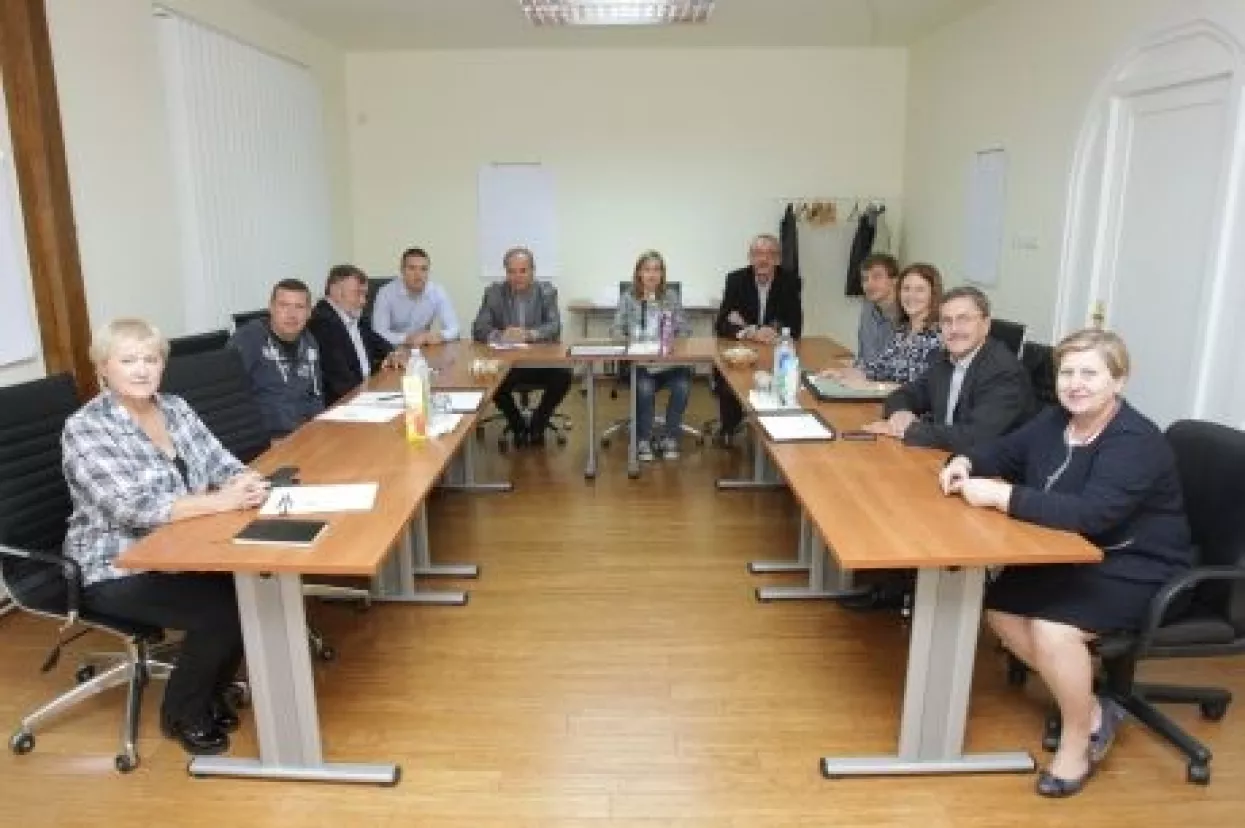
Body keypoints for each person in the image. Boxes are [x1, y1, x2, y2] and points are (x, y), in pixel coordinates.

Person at [939, 329, 1193, 797]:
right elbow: (1005, 450)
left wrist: (1001, 496)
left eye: (1089, 374)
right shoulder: (1056, 419)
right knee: (1001, 608)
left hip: (1137, 564)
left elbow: (1091, 515)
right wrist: (966, 461)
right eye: (1067, 372)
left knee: (1053, 629)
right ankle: (1093, 711)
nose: (1075, 384)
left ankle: (1077, 744)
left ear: (1119, 381)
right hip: (1074, 553)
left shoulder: (1135, 440)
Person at [61, 318, 270, 756]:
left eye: (151, 359)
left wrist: (246, 481)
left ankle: (211, 692)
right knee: (219, 611)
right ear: (103, 368)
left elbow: (218, 460)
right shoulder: (87, 428)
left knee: (248, 586)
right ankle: (182, 714)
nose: (141, 370)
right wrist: (221, 502)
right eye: (128, 360)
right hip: (114, 564)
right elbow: (132, 508)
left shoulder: (174, 407)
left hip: (182, 545)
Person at [867, 285, 1033, 454]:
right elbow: (904, 394)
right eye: (947, 321)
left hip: (987, 466)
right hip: (943, 455)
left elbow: (976, 437)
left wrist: (910, 430)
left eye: (964, 319)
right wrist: (900, 414)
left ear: (986, 325)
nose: (954, 329)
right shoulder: (944, 359)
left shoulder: (1004, 372)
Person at [471, 247, 572, 447]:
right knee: (491, 379)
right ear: (506, 272)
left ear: (533, 271)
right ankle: (516, 423)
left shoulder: (546, 292)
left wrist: (529, 334)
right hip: (507, 364)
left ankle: (538, 423)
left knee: (564, 376)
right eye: (512, 271)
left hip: (539, 363)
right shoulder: (494, 293)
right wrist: (501, 335)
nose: (517, 277)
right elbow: (479, 328)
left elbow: (554, 326)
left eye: (523, 271)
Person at [712, 234, 804, 439]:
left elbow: (795, 326)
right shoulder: (736, 280)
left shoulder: (790, 281)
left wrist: (774, 331)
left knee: (785, 379)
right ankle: (730, 428)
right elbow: (722, 324)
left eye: (769, 254)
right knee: (728, 382)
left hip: (774, 351)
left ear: (777, 259)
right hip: (742, 353)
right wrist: (751, 331)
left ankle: (773, 429)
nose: (763, 259)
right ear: (750, 257)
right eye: (757, 254)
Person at [609, 250, 693, 461]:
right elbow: (615, 329)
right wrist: (629, 340)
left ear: (663, 274)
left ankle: (670, 437)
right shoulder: (628, 297)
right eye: (647, 269)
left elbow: (685, 330)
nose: (652, 274)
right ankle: (643, 440)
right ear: (639, 273)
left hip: (669, 363)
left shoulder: (670, 297)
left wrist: (673, 340)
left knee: (682, 386)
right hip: (641, 365)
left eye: (657, 269)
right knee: (645, 388)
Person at [822, 263, 942, 391]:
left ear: (933, 294)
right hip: (889, 399)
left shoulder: (938, 336)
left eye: (920, 290)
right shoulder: (902, 332)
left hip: (908, 403)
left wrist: (874, 386)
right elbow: (879, 369)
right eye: (906, 289)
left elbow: (923, 388)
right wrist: (843, 373)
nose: (911, 295)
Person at [229, 279, 324, 440]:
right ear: (271, 308)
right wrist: (263, 441)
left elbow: (316, 394)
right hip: (268, 439)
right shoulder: (248, 340)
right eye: (284, 305)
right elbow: (232, 403)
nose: (291, 314)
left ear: (309, 313)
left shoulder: (309, 341)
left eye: (299, 307)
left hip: (306, 433)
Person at [308, 264, 408, 406]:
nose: (363, 301)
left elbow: (381, 344)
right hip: (345, 404)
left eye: (364, 295)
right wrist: (375, 401)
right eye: (357, 293)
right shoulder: (322, 323)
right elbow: (342, 383)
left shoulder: (355, 318)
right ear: (336, 291)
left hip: (366, 392)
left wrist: (393, 354)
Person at [371, 247, 461, 348]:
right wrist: (406, 339)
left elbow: (455, 328)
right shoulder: (386, 293)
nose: (418, 275)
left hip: (423, 348)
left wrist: (440, 336)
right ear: (402, 271)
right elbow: (378, 333)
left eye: (423, 269)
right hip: (392, 348)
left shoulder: (436, 291)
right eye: (412, 268)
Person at [855, 252, 901, 365]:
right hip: (866, 374)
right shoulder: (867, 308)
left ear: (894, 280)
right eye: (865, 279)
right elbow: (863, 356)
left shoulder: (908, 314)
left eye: (876, 277)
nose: (869, 284)